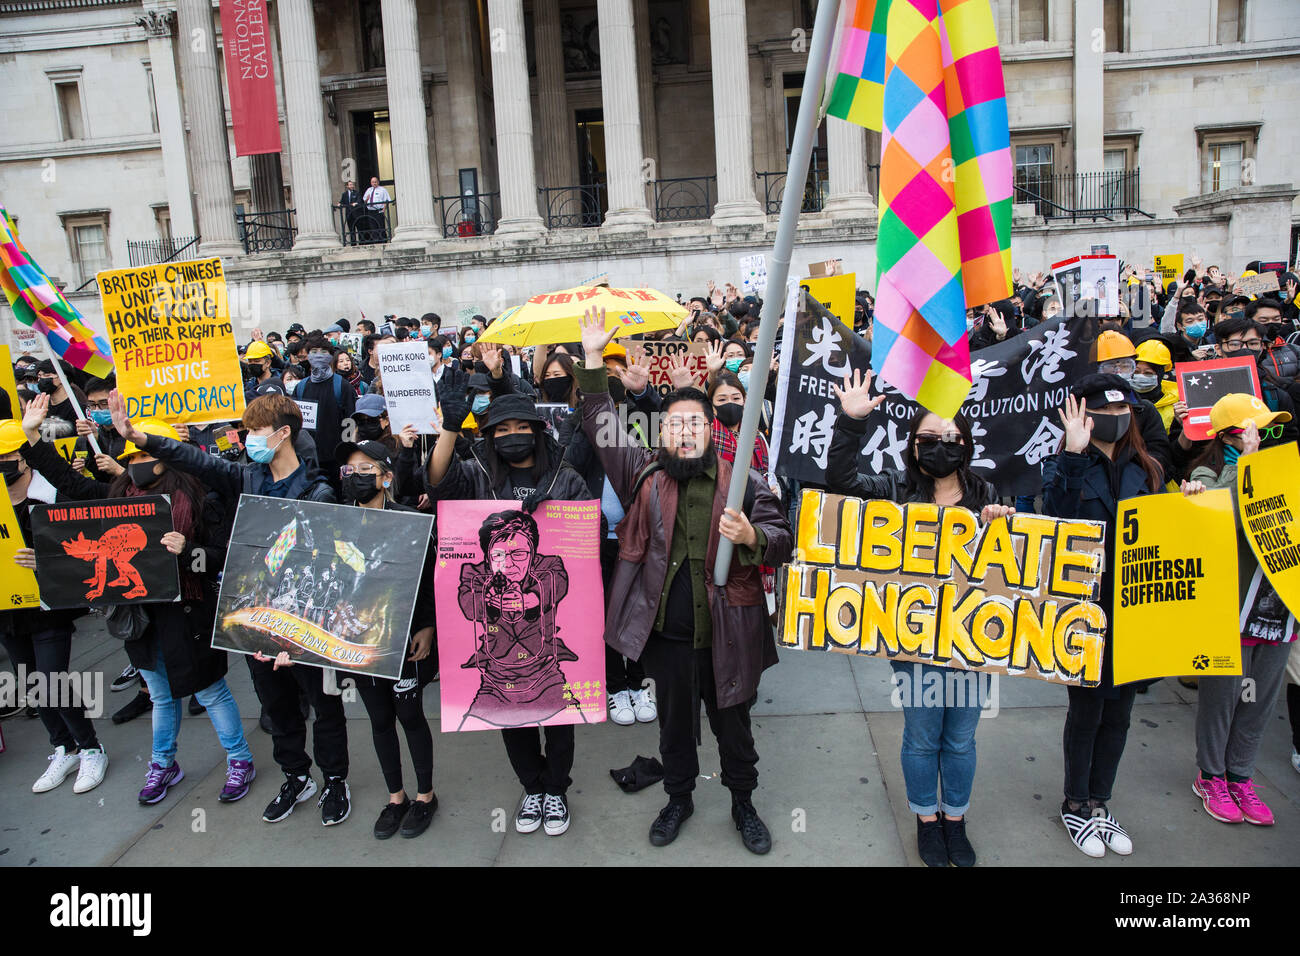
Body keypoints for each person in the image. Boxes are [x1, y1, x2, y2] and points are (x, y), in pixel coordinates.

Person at [574, 307, 793, 855]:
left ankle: (744, 803)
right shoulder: (643, 475)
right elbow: (602, 427)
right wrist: (595, 361)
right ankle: (679, 798)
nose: (685, 430)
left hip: (730, 632)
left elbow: (782, 537)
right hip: (667, 642)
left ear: (710, 429)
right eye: (675, 424)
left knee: (735, 732)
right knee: (674, 731)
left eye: (694, 422)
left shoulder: (742, 479)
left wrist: (750, 537)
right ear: (663, 432)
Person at [107, 390, 352, 826]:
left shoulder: (319, 491)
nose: (247, 438)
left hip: (304, 621)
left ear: (282, 434)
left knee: (323, 704)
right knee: (275, 706)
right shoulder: (245, 479)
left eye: (255, 430)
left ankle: (334, 780)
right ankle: (297, 776)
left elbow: (326, 566)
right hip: (253, 616)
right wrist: (141, 437)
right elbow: (194, 461)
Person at [19, 398, 255, 804]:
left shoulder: (200, 498)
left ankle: (239, 760)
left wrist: (189, 552)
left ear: (165, 453)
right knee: (161, 695)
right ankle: (163, 764)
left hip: (188, 613)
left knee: (211, 690)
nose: (137, 462)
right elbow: (70, 484)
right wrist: (32, 436)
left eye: (145, 453)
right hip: (142, 617)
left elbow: (220, 557)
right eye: (130, 456)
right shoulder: (116, 496)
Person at [826, 368, 1007, 868]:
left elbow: (1015, 571)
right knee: (923, 736)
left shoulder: (986, 493)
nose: (941, 446)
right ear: (913, 447)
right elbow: (840, 482)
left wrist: (1004, 525)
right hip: (914, 639)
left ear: (965, 444)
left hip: (975, 639)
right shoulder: (894, 490)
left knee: (962, 738)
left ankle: (957, 819)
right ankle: (927, 820)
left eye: (951, 438)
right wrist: (850, 423)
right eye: (929, 438)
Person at [1043, 373, 1203, 859]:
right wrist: (1072, 455)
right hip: (1087, 612)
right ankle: (1075, 802)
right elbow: (1058, 522)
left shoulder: (1150, 469)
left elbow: (1167, 532)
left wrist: (1190, 503)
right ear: (1081, 415)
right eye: (1102, 413)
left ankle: (1100, 799)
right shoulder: (1062, 466)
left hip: (1138, 613)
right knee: (1087, 711)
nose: (1114, 420)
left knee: (1122, 714)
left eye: (1122, 412)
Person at [425, 388, 590, 837]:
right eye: (502, 430)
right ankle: (532, 787)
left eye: (522, 427)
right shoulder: (476, 473)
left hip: (547, 648)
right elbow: (438, 483)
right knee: (509, 718)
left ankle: (556, 789)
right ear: (490, 437)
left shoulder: (564, 477)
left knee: (559, 717)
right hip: (496, 655)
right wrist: (448, 429)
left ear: (538, 432)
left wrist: (553, 516)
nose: (513, 436)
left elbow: (582, 553)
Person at [1188, 395, 1296, 826]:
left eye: (1270, 431)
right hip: (1230, 609)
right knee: (1224, 699)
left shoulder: (1287, 472)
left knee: (1260, 703)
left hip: (1280, 608)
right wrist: (1248, 466)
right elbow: (1225, 518)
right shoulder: (1206, 472)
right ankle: (1211, 775)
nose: (1267, 438)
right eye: (1257, 431)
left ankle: (1242, 777)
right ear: (1231, 436)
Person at [333, 439, 439, 839]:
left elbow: (429, 580)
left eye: (366, 470)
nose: (357, 477)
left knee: (410, 716)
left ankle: (425, 795)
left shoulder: (411, 520)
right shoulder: (339, 522)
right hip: (358, 641)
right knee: (379, 719)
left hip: (403, 640)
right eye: (350, 471)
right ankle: (396, 798)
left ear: (386, 477)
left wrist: (427, 627)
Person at [0, 417, 108, 796]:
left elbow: (83, 549)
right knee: (31, 682)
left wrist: (44, 557)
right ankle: (63, 747)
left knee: (51, 679)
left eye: (9, 454)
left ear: (25, 457)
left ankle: (91, 747)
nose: (3, 461)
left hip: (49, 607)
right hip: (6, 611)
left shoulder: (52, 497)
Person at [290, 335, 357, 489]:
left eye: (323, 351)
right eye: (314, 351)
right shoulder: (301, 387)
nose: (318, 355)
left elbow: (350, 424)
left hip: (336, 462)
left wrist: (348, 459)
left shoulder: (342, 386)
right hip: (309, 462)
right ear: (307, 355)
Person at [338, 180, 362, 245]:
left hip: (356, 214)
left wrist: (356, 203)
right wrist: (339, 204)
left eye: (352, 184)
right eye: (350, 185)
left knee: (359, 228)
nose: (352, 186)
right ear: (347, 186)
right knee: (351, 229)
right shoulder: (344, 194)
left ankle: (361, 242)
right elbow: (341, 202)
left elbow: (360, 201)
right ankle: (353, 243)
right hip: (349, 214)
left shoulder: (357, 193)